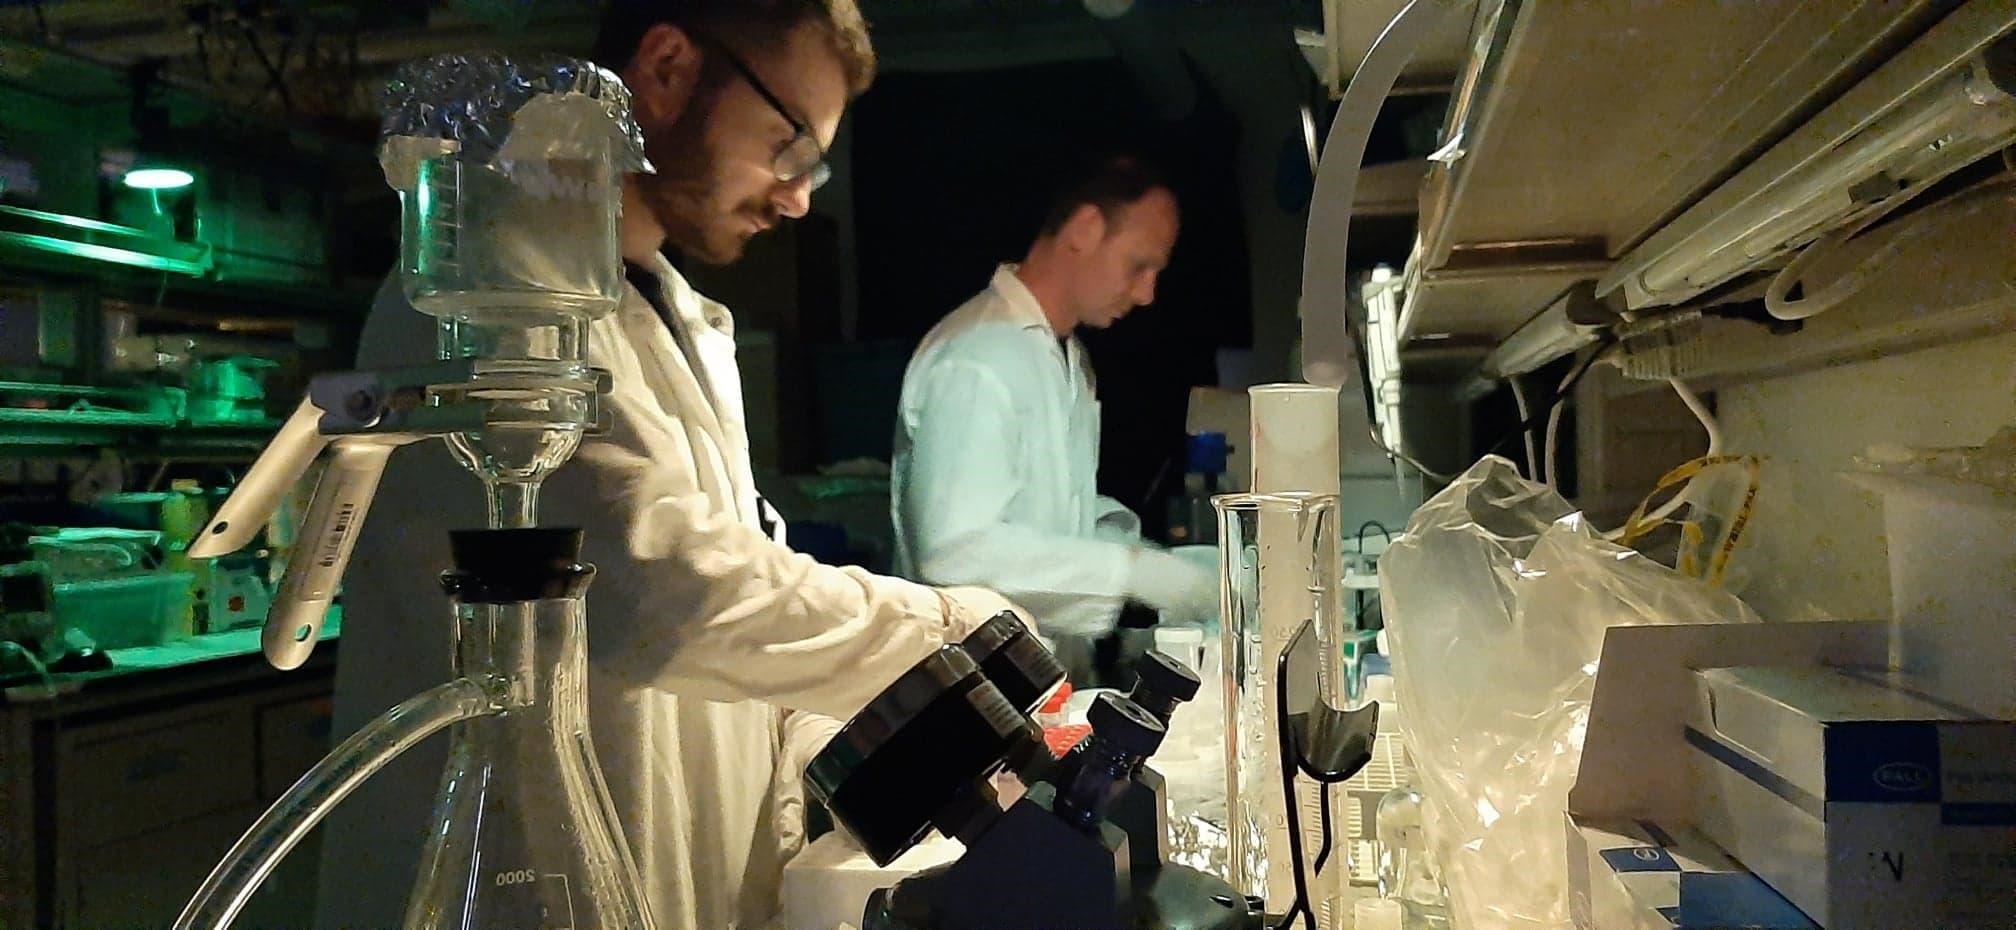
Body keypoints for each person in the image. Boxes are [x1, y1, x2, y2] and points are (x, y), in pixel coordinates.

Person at [313, 4, 1021, 930]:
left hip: (670, 877)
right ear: (671, 66)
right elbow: (661, 595)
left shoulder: (678, 315)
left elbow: (732, 631)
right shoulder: (489, 278)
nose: (800, 196)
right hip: (516, 882)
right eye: (789, 145)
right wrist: (958, 628)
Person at [890, 154, 1215, 685]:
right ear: (1085, 229)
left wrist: (1125, 543)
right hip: (970, 693)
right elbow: (954, 551)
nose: (1146, 293)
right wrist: (1131, 572)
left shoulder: (1067, 359)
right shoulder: (978, 356)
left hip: (1040, 685)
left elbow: (1038, 514)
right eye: (1139, 266)